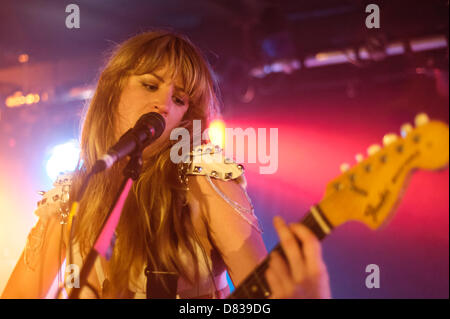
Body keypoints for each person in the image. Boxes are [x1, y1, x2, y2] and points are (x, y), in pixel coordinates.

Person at [1, 30, 331, 299]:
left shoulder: (204, 182)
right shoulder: (72, 194)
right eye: (150, 85)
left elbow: (262, 297)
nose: (163, 103)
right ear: (113, 89)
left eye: (179, 99)